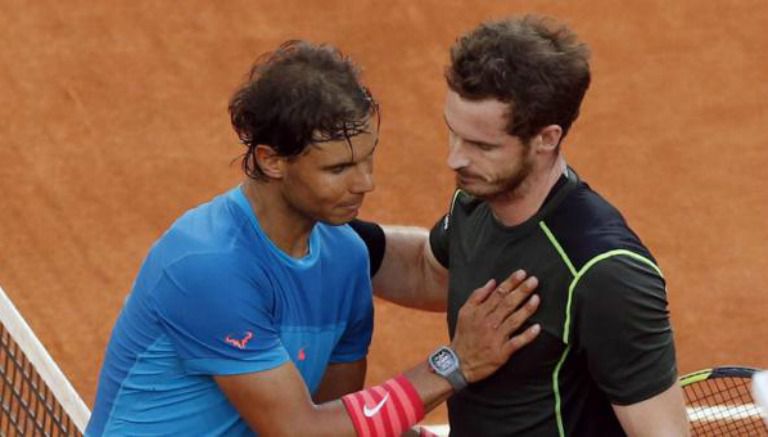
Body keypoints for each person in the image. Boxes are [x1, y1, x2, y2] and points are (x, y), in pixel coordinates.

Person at [86, 40, 542, 436]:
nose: (365, 183)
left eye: (368, 159)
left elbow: (338, 420)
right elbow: (299, 430)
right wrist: (454, 365)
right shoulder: (207, 265)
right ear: (271, 161)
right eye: (338, 169)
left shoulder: (345, 260)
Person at [351, 15, 690, 436]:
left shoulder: (603, 273)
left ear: (546, 138)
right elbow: (426, 270)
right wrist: (322, 234)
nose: (454, 159)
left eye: (480, 145)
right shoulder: (478, 199)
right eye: (452, 133)